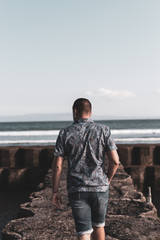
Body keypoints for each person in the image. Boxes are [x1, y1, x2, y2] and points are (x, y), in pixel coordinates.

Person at [52, 98, 119, 240]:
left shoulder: (64, 133)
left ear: (75, 111)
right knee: (99, 226)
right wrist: (107, 180)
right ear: (91, 112)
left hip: (77, 189)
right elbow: (115, 161)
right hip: (100, 187)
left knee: (83, 232)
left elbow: (58, 165)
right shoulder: (104, 130)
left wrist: (55, 190)